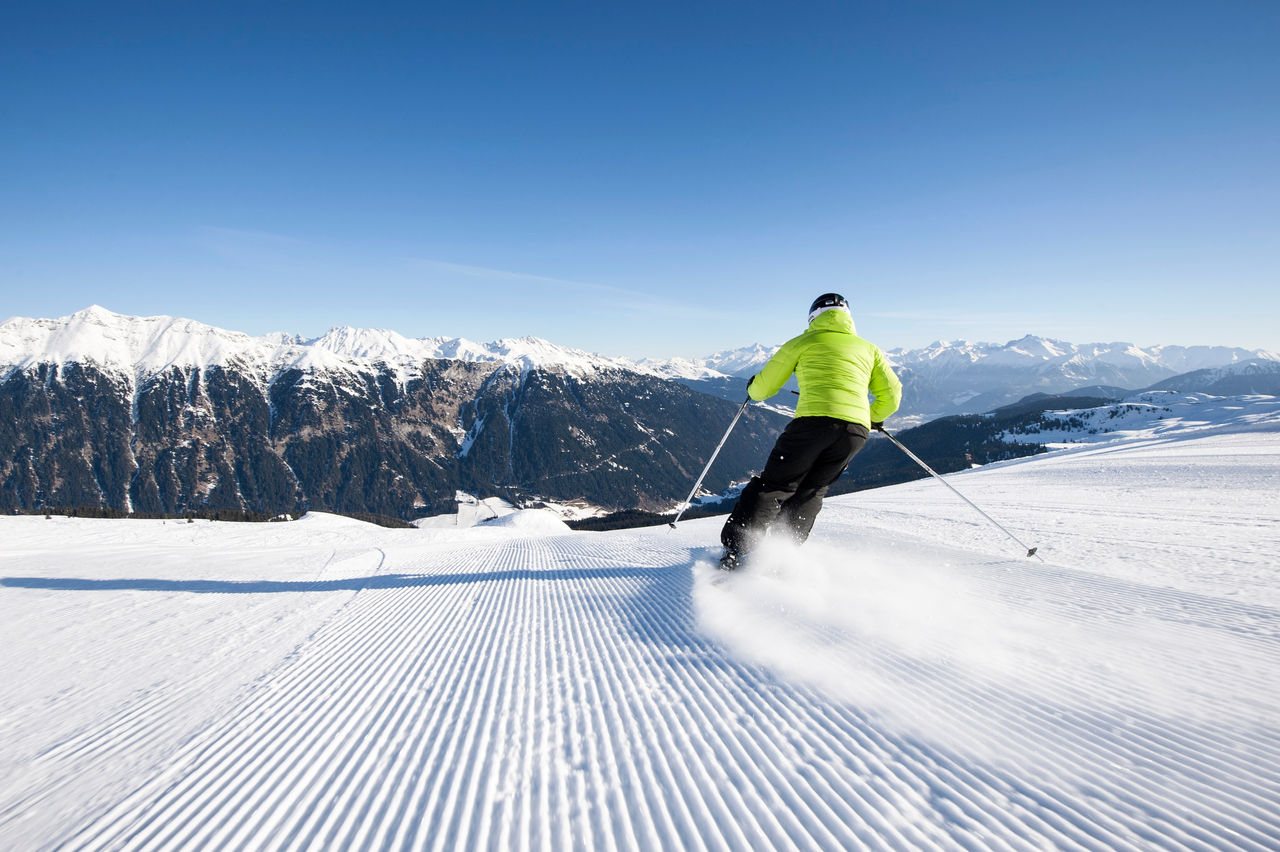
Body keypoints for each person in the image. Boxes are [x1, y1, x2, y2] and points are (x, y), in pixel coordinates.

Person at [719, 293, 902, 569]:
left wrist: (752, 388)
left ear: (813, 316)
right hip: (854, 433)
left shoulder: (802, 343)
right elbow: (892, 396)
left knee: (775, 486)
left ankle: (737, 550)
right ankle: (783, 553)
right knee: (812, 491)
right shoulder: (869, 349)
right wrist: (870, 417)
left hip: (811, 426)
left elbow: (764, 388)